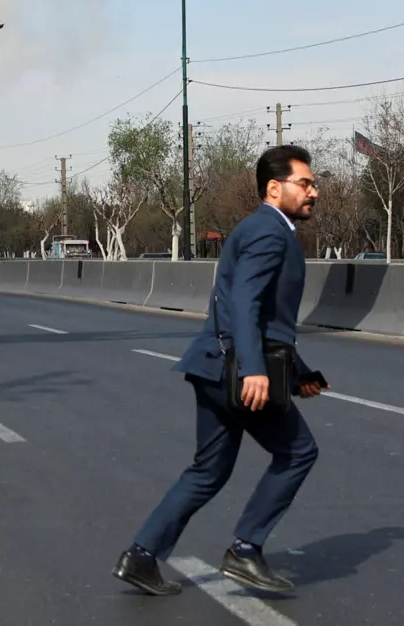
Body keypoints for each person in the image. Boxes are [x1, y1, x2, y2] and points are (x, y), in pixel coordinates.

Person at [112, 145, 327, 596]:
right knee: (298, 452)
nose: (315, 192)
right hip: (237, 372)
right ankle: (245, 550)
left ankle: (141, 555)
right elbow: (244, 304)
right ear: (274, 187)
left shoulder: (258, 228)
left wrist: (300, 373)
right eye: (305, 183)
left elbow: (266, 320)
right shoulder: (272, 233)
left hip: (212, 367)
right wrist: (253, 370)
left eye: (313, 183)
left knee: (208, 471)